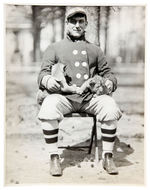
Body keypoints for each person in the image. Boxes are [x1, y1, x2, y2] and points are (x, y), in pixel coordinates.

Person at [37, 7, 122, 176]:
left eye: (80, 22)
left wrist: (110, 82)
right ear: (66, 24)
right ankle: (54, 157)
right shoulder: (55, 47)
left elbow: (108, 73)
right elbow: (43, 73)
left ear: (86, 24)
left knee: (110, 106)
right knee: (48, 106)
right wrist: (48, 80)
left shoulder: (95, 49)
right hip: (65, 98)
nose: (77, 25)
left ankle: (107, 156)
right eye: (73, 22)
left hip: (89, 98)